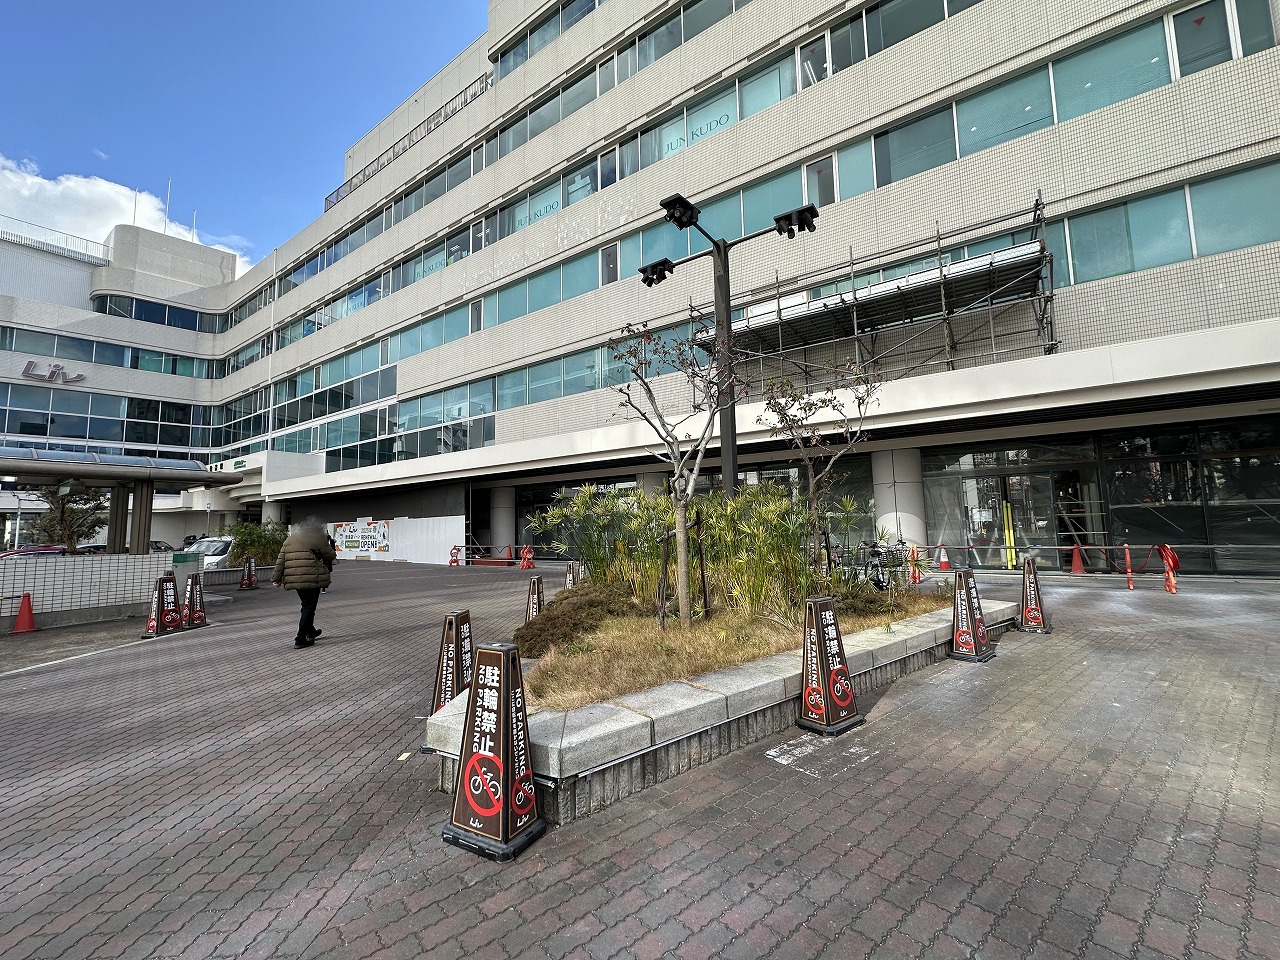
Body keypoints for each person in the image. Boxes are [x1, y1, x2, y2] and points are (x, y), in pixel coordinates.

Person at [271, 517, 336, 649]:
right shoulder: (317, 539)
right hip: (312, 578)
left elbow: (280, 560)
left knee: (306, 605)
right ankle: (300, 638)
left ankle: (310, 631)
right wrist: (329, 543)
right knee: (309, 607)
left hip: (295, 580)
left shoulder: (290, 540)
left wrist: (276, 578)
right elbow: (331, 556)